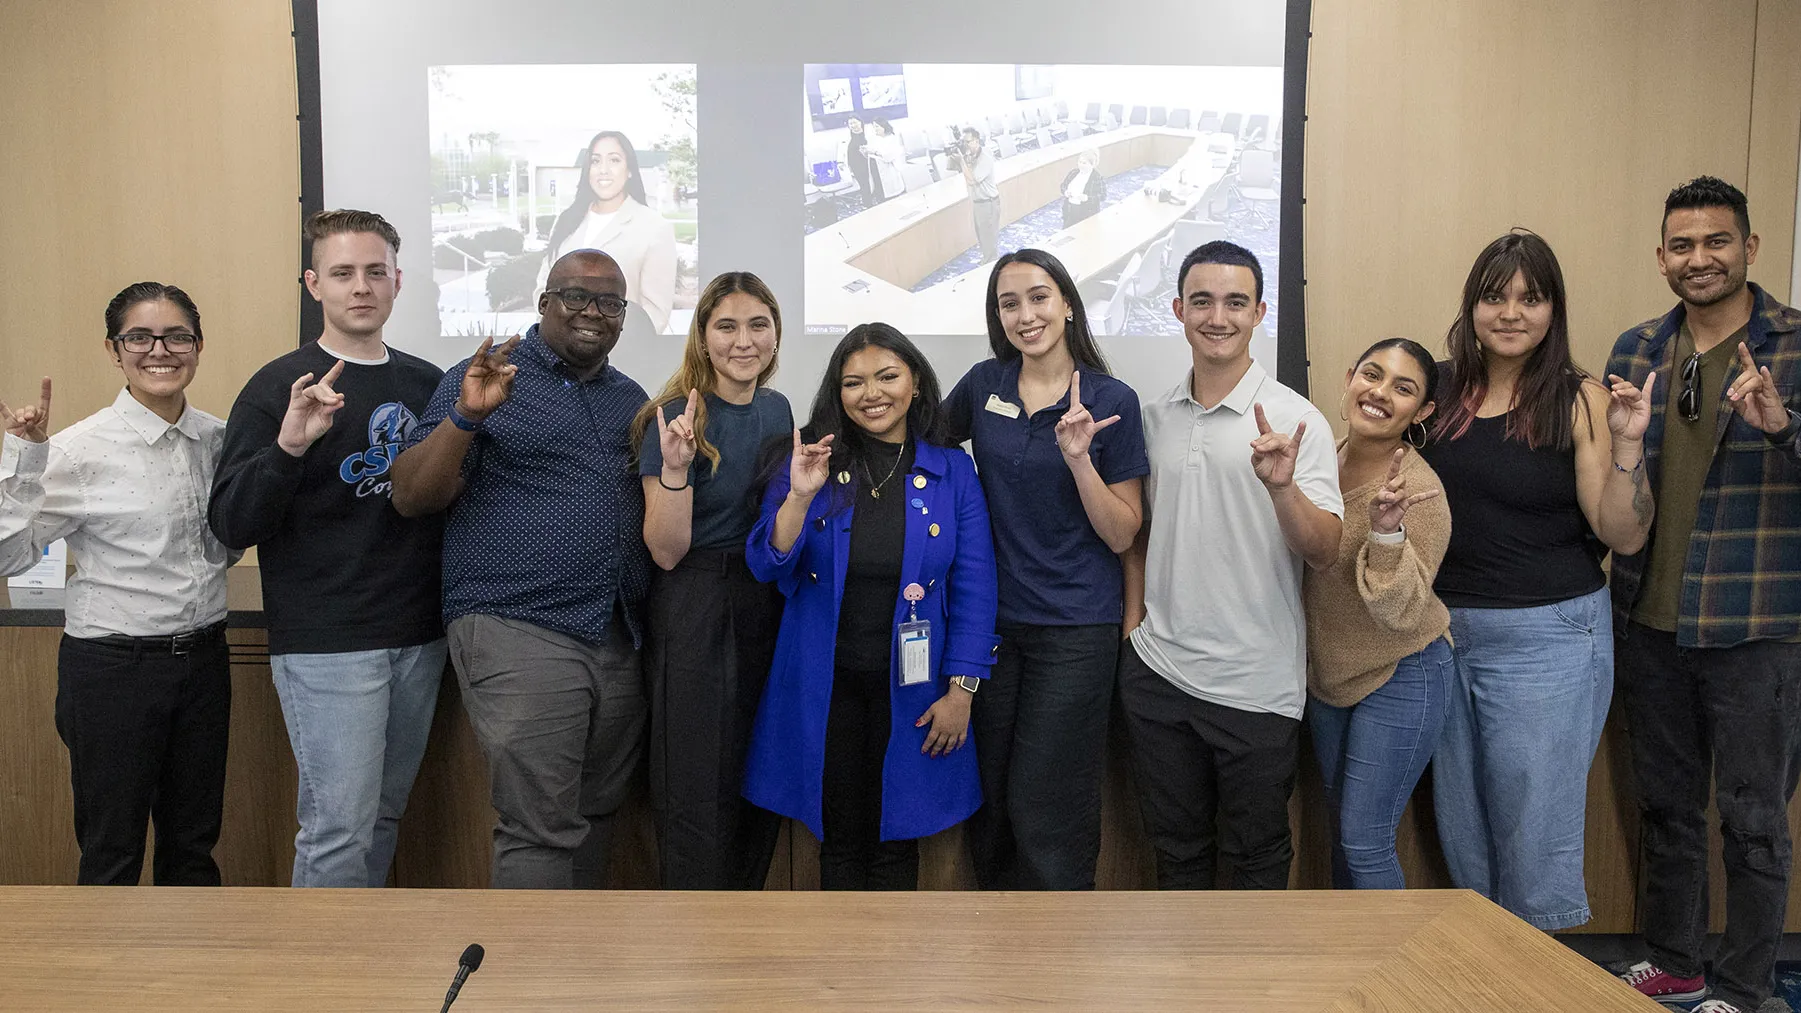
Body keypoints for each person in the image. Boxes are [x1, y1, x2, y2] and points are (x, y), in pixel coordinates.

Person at [391, 249, 650, 890]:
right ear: (542, 303)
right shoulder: (483, 378)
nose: (593, 311)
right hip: (519, 625)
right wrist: (466, 417)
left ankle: (578, 981)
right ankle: (533, 988)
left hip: (616, 633)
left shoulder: (631, 398)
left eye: (610, 302)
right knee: (539, 827)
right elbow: (411, 496)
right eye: (575, 296)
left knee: (596, 815)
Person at [1420, 230, 1654, 930]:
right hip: (1438, 634)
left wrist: (1630, 443)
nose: (1511, 312)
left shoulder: (1578, 398)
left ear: (1553, 309)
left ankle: (1536, 987)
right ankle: (1494, 983)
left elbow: (1623, 532)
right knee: (1462, 830)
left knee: (1531, 838)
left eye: (1530, 296)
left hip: (1547, 638)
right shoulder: (1436, 390)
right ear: (1472, 305)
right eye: (1495, 296)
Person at [1608, 177, 1801, 1013]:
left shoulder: (1793, 346)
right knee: (1666, 808)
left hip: (1758, 625)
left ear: (1749, 248)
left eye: (1715, 241)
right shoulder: (1636, 349)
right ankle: (1677, 960)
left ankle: (1746, 986)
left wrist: (1782, 426)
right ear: (1660, 257)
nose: (1698, 259)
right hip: (1649, 618)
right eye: (1681, 245)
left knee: (1753, 819)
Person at [210, 210, 447, 888]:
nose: (361, 287)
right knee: (337, 828)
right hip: (327, 643)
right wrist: (289, 445)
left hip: (418, 637)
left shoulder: (429, 383)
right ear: (314, 284)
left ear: (398, 281)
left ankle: (363, 974)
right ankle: (318, 987)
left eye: (375, 272)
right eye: (342, 273)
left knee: (382, 820)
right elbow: (231, 521)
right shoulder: (277, 386)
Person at [742, 322, 1000, 890]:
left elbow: (976, 586)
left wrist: (963, 691)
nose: (872, 393)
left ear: (914, 384)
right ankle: (843, 976)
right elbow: (768, 563)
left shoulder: (952, 469)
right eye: (854, 382)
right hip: (825, 685)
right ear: (838, 392)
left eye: (887, 377)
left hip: (914, 687)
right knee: (839, 840)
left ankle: (894, 977)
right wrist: (799, 496)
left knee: (895, 840)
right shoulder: (811, 457)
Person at [1120, 240, 1342, 890]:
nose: (1218, 316)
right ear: (1178, 310)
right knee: (1176, 853)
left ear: (1259, 313)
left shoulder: (1296, 419)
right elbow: (1137, 529)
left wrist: (1280, 486)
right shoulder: (1153, 417)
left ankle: (1251, 993)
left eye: (1235, 302)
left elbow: (1324, 550)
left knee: (1255, 857)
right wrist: (1133, 625)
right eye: (1202, 301)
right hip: (1158, 672)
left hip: (1255, 682)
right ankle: (1186, 992)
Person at [0, 283, 231, 886]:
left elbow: (228, 541)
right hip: (112, 671)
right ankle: (110, 983)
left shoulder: (219, 439)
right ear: (114, 350)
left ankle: (191, 979)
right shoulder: (77, 451)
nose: (160, 350)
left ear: (198, 346)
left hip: (205, 662)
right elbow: (9, 559)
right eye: (140, 337)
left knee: (194, 848)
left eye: (177, 335)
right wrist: (21, 462)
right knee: (112, 853)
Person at [943, 249, 1147, 889]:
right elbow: (921, 448)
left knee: (1048, 799)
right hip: (993, 628)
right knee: (995, 792)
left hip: (1075, 629)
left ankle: (1059, 955)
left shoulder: (1113, 399)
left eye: (1038, 297)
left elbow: (1122, 532)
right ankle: (999, 951)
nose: (1026, 315)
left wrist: (1081, 459)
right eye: (1009, 303)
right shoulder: (983, 385)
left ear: (1066, 303)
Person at [632, 271, 793, 890]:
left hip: (764, 599)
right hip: (695, 600)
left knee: (757, 772)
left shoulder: (778, 409)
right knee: (697, 783)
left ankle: (743, 938)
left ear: (777, 335)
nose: (743, 341)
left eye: (758, 324)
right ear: (702, 337)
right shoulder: (674, 415)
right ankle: (694, 946)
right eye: (726, 326)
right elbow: (666, 552)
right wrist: (675, 469)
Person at [1303, 338, 1451, 890]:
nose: (1380, 393)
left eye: (1403, 388)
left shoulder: (1419, 492)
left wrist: (1387, 533)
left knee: (1365, 841)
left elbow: (1404, 612)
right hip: (1331, 678)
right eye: (1372, 374)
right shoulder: (1318, 460)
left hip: (1403, 673)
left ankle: (1395, 979)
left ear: (1423, 411)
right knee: (1342, 836)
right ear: (1348, 378)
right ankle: (1352, 970)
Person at [535, 131, 679, 333]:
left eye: (614, 160)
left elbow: (655, 313)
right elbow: (543, 287)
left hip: (620, 353)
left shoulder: (655, 227)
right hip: (559, 350)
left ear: (629, 169)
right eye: (595, 161)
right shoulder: (566, 220)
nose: (603, 170)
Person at [958, 127, 1001, 263]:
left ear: (976, 141)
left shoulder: (985, 158)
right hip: (978, 203)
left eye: (968, 142)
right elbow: (950, 167)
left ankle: (990, 263)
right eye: (963, 142)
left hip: (988, 203)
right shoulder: (970, 156)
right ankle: (987, 259)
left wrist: (961, 161)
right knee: (981, 235)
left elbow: (972, 179)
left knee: (988, 237)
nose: (966, 145)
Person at [1059, 149, 1106, 229]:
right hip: (1070, 209)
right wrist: (1066, 192)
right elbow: (1063, 185)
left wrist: (1087, 198)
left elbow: (1102, 196)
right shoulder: (1073, 173)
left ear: (1092, 164)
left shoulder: (1097, 177)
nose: (1081, 165)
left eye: (1084, 163)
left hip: (1086, 213)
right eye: (1079, 162)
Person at [840, 116, 878, 207]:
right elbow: (841, 151)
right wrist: (840, 162)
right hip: (855, 165)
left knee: (873, 183)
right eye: (850, 123)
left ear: (861, 122)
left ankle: (877, 200)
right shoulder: (846, 137)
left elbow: (875, 148)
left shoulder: (869, 135)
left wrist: (866, 151)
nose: (853, 125)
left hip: (868, 162)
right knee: (864, 184)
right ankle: (867, 204)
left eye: (855, 122)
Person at [865, 119, 905, 203]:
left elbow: (888, 156)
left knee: (892, 197)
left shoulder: (892, 139)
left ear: (884, 126)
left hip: (888, 171)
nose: (875, 129)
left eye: (877, 126)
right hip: (875, 169)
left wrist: (875, 152)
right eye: (874, 127)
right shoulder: (874, 139)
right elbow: (870, 152)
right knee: (880, 193)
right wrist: (865, 151)